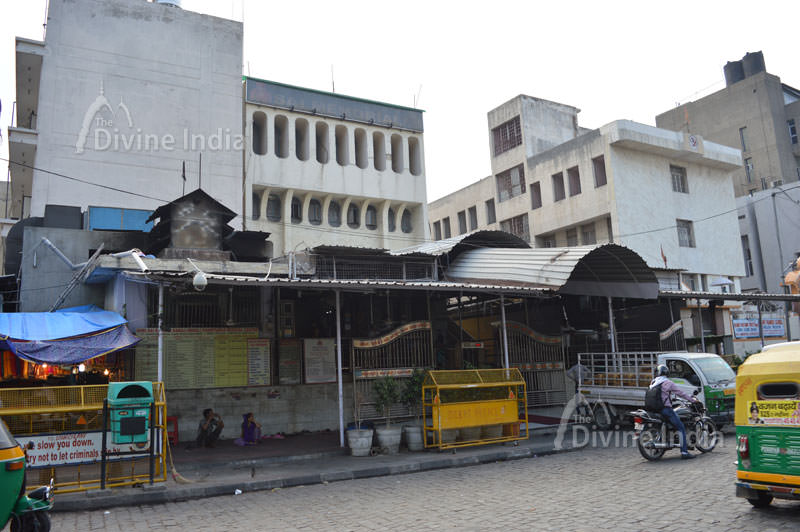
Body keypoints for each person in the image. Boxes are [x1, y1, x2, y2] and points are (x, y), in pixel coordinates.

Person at [650, 364, 697, 459]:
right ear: (667, 373)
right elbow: (680, 393)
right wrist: (692, 400)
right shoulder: (668, 383)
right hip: (665, 410)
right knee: (681, 427)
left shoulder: (653, 382)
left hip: (654, 409)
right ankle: (684, 452)